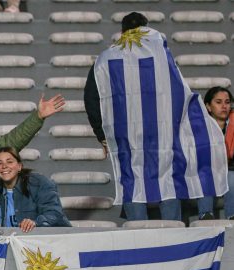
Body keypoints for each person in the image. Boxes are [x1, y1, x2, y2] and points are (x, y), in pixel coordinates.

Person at [84, 12, 227, 222]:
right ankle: (172, 232)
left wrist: (102, 135)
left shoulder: (105, 59)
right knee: (166, 177)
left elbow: (92, 99)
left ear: (122, 32)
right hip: (162, 130)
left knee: (131, 178)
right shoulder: (162, 55)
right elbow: (180, 93)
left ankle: (137, 234)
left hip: (125, 132)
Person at [0, 147, 71, 231]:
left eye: (9, 162)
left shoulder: (39, 182)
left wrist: (35, 223)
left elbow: (55, 213)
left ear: (19, 166)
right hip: (13, 241)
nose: (4, 166)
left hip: (47, 240)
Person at [196, 87, 234, 219]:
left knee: (231, 178)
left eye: (227, 102)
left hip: (231, 169)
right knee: (205, 175)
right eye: (218, 102)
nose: (224, 106)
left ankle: (232, 217)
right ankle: (205, 215)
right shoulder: (198, 126)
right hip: (205, 169)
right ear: (208, 106)